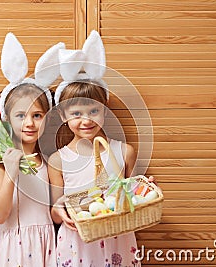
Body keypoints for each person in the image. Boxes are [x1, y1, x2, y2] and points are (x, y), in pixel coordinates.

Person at [48, 31, 140, 267]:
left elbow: (131, 196)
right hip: (77, 243)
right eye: (76, 113)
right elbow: (55, 209)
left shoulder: (124, 151)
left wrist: (142, 192)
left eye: (93, 111)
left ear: (105, 110)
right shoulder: (59, 160)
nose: (86, 120)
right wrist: (60, 212)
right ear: (62, 114)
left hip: (118, 240)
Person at [0, 32, 64, 267]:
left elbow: (56, 212)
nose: (29, 123)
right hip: (12, 251)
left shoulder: (49, 163)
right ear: (7, 119)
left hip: (46, 247)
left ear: (47, 119)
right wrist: (11, 170)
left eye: (37, 115)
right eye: (20, 116)